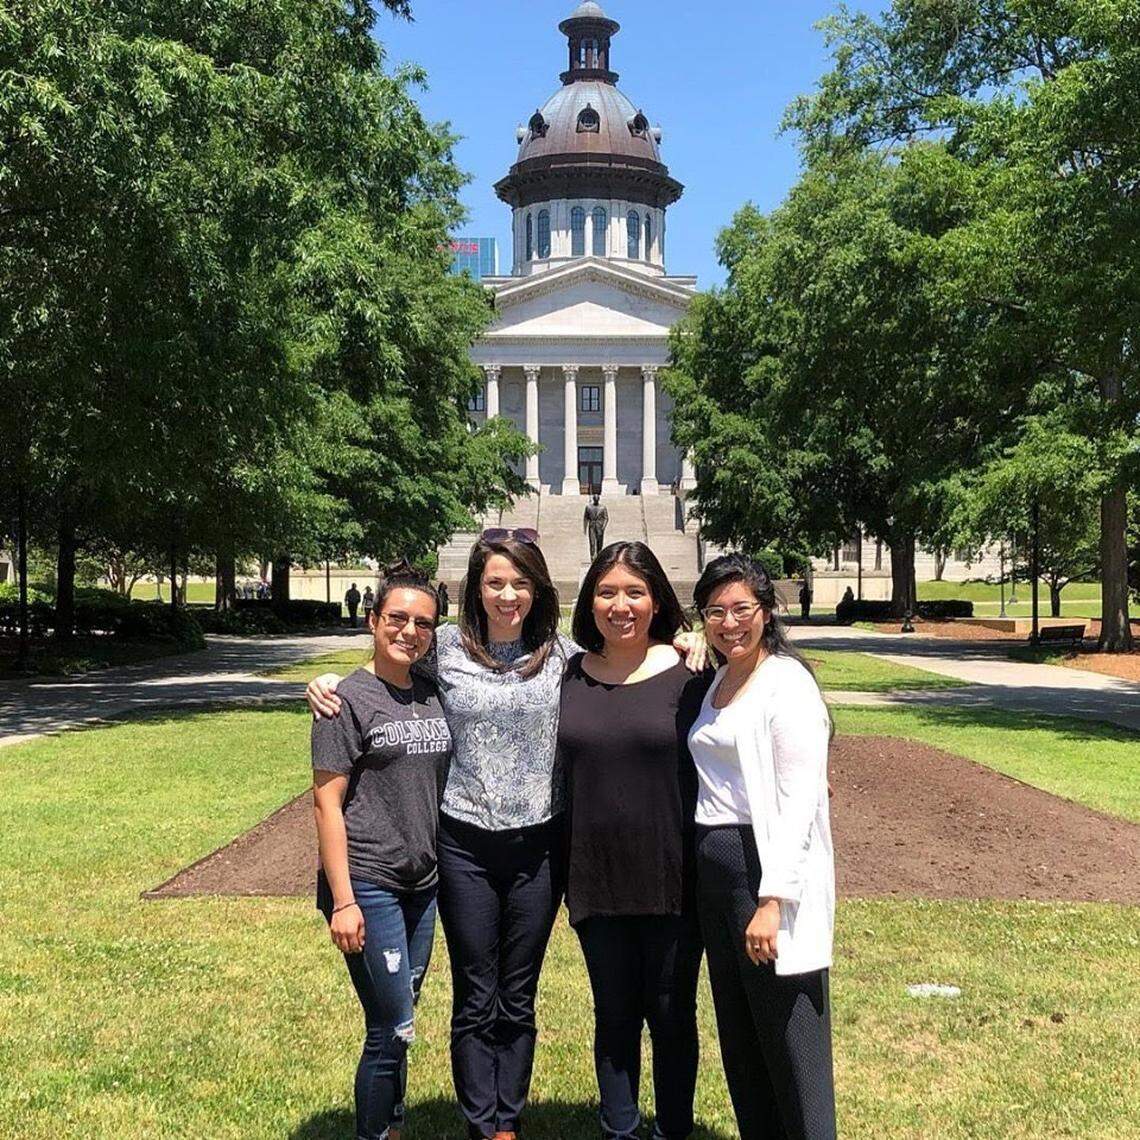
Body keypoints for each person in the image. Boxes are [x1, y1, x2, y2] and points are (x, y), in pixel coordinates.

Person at [307, 534, 707, 1140]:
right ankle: (477, 1120)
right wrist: (327, 681)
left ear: (537, 589)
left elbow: (631, 655)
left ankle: (506, 1122)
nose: (507, 595)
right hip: (464, 843)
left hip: (539, 847)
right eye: (494, 582)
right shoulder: (443, 649)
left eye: (519, 582)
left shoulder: (566, 655)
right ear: (477, 589)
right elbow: (385, 662)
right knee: (475, 992)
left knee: (518, 994)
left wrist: (686, 639)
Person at [557, 541, 711, 1140]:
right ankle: (619, 1127)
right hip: (595, 876)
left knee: (673, 1016)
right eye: (607, 592)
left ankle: (673, 1128)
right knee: (614, 1016)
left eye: (635, 592)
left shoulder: (691, 673)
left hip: (673, 875)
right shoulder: (568, 675)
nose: (620, 606)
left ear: (656, 601)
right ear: (589, 602)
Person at [689, 555, 836, 1140]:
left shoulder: (786, 682)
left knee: (790, 1035)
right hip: (716, 874)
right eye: (716, 612)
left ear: (766, 612)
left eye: (741, 610)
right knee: (743, 1034)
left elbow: (801, 800)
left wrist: (773, 900)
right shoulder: (721, 679)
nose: (729, 623)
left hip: (762, 867)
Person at [311, 563, 452, 1140]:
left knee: (402, 1021)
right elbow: (326, 803)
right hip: (368, 883)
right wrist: (343, 901)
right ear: (372, 621)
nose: (409, 631)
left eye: (423, 623)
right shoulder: (344, 701)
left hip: (423, 884)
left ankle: (392, 1124)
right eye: (397, 618)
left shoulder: (431, 688)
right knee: (391, 1025)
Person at [583, 494, 609, 560]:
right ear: (593, 499)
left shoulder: (603, 507)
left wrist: (603, 526)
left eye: (597, 499)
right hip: (592, 526)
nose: (596, 500)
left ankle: (599, 556)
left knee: (599, 543)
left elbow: (606, 518)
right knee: (592, 543)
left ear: (599, 499)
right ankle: (592, 557)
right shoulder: (588, 507)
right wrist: (585, 528)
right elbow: (585, 518)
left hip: (599, 527)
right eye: (595, 499)